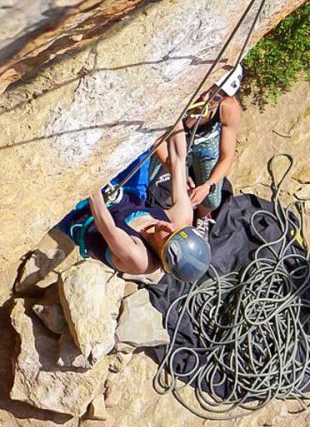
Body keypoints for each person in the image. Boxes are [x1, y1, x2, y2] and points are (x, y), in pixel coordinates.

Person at [56, 128, 211, 282]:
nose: (169, 226)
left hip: (85, 216)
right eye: (177, 229)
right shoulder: (180, 219)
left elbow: (106, 226)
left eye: (168, 236)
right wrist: (175, 119)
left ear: (161, 253)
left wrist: (91, 174)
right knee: (139, 144)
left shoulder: (139, 259)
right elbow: (178, 158)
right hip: (129, 196)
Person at [150, 64, 243, 231]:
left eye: (216, 96)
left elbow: (226, 156)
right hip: (171, 137)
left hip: (204, 140)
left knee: (212, 199)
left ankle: (201, 218)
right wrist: (176, 172)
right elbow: (156, 141)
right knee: (150, 179)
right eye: (208, 87)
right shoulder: (182, 97)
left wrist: (208, 185)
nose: (206, 97)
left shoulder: (228, 109)